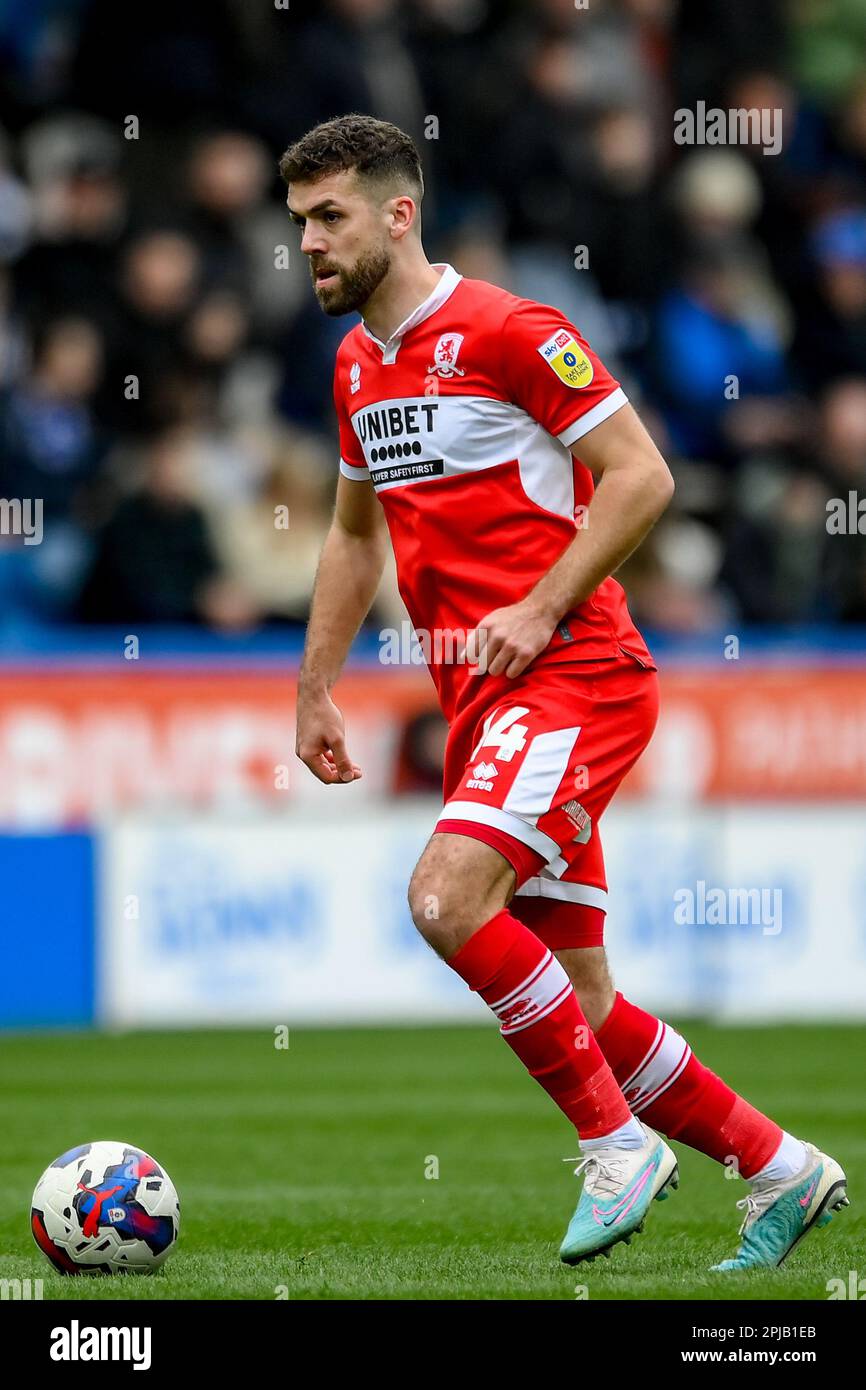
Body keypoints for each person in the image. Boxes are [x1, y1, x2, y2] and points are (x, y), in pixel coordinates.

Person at [284, 113, 847, 1269]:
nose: (308, 244)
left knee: (444, 898)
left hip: (572, 672)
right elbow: (351, 539)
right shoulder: (354, 365)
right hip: (485, 702)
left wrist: (537, 606)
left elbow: (643, 477)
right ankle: (782, 1168)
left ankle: (614, 1145)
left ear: (400, 212)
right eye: (298, 222)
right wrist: (315, 688)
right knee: (582, 998)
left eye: (329, 216)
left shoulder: (508, 330)